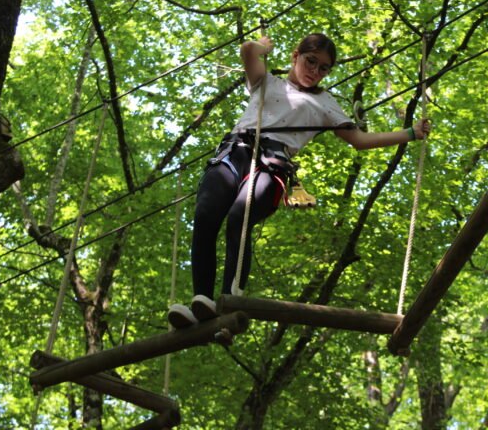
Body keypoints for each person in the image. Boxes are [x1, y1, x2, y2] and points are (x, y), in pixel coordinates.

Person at [167, 33, 431, 328]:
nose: (315, 71)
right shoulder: (267, 82)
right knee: (205, 214)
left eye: (323, 68)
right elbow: (247, 51)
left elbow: (359, 139)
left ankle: (229, 301)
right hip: (234, 152)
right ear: (295, 56)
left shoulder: (326, 103)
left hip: (271, 166)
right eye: (310, 61)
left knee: (239, 217)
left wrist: (409, 133)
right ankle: (201, 301)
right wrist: (263, 47)